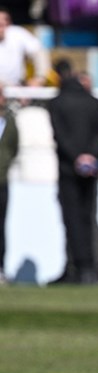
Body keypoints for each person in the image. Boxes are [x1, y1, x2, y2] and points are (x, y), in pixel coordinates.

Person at [47, 59, 98, 286]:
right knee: (89, 218)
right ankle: (92, 269)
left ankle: (76, 267)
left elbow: (60, 135)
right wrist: (90, 156)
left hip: (67, 169)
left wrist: (76, 158)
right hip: (91, 169)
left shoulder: (57, 103)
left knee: (71, 219)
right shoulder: (93, 103)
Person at [0, 6, 50, 87]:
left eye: (2, 24)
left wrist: (40, 78)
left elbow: (39, 52)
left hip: (17, 87)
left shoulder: (17, 34)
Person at [0, 82, 18, 286]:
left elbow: (14, 148)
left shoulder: (9, 121)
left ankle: (1, 267)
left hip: (2, 180)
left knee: (1, 226)